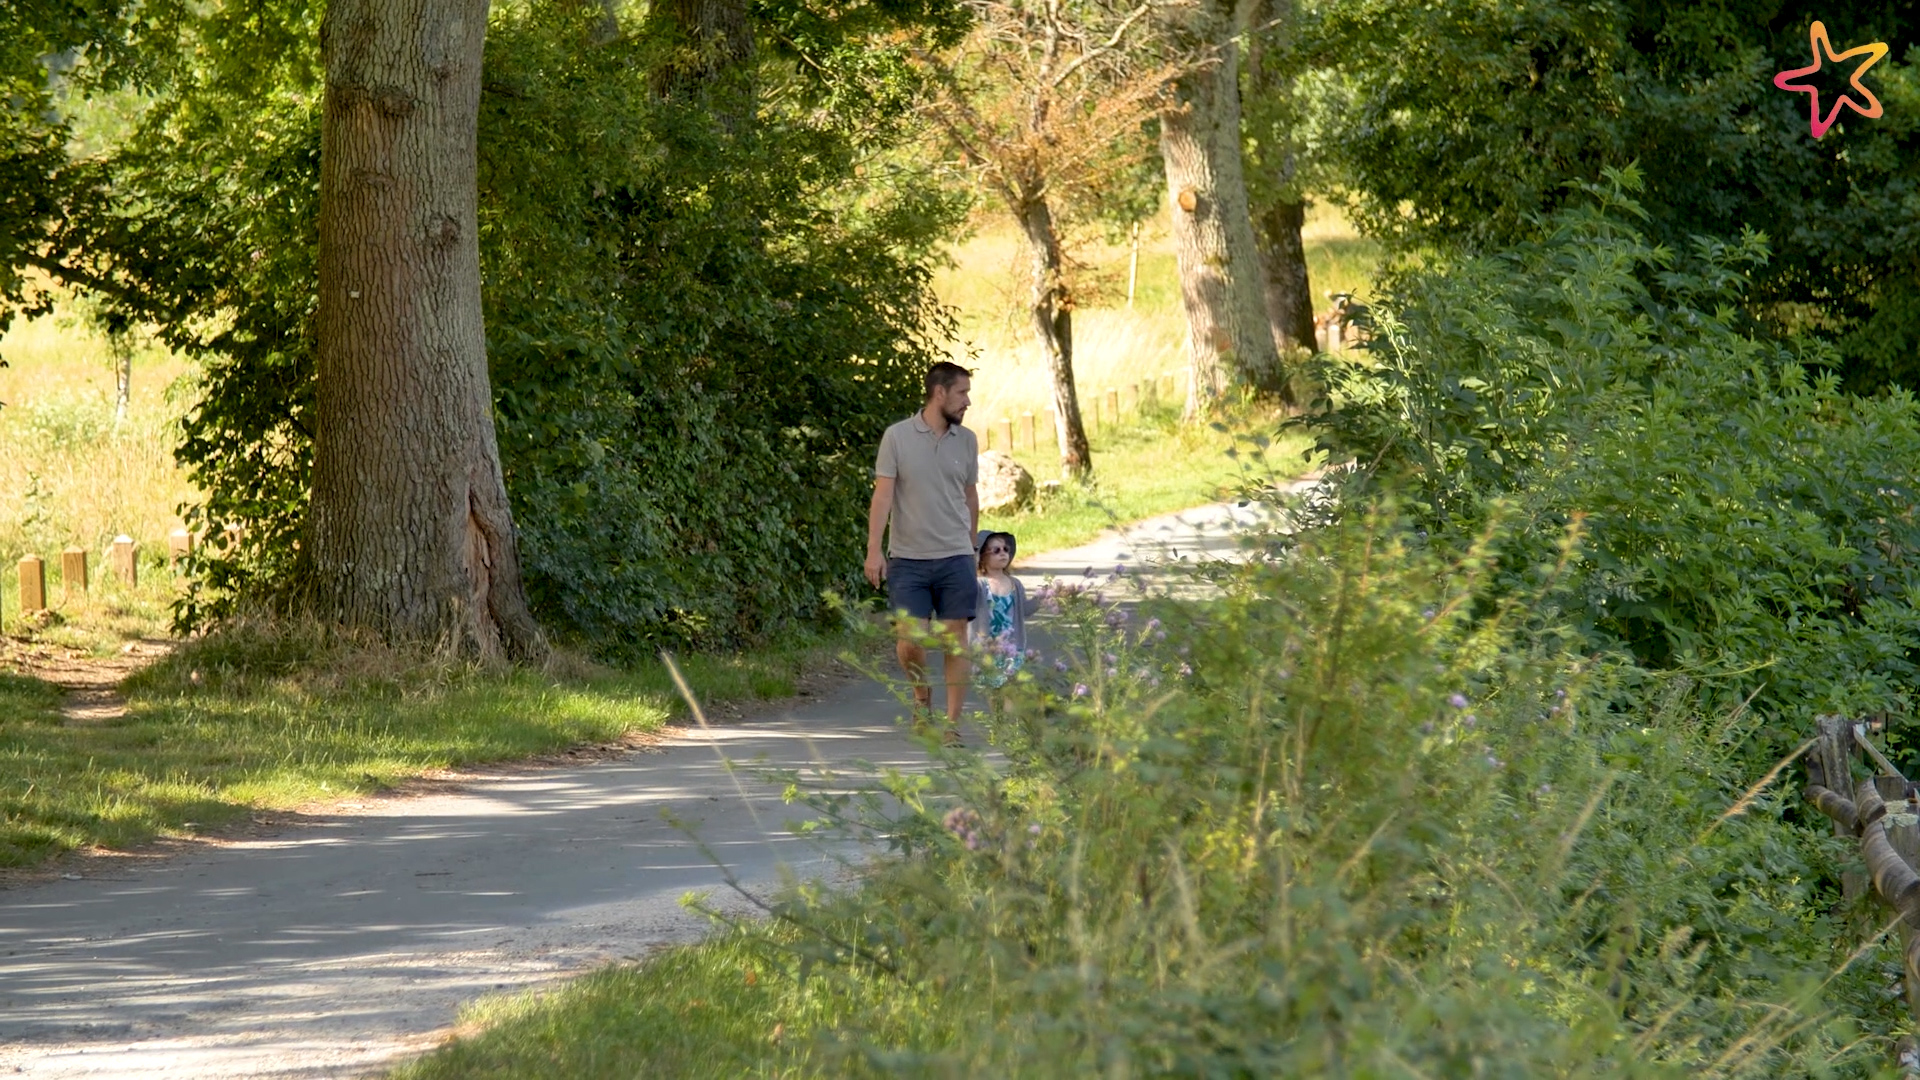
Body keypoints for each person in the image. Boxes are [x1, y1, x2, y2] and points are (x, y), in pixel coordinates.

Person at [864, 361, 979, 742]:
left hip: (955, 555)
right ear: (939, 392)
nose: (967, 401)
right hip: (908, 558)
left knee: (955, 638)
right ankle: (921, 696)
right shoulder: (897, 437)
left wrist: (971, 547)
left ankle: (952, 725)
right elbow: (883, 496)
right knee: (910, 640)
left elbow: (970, 495)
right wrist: (874, 551)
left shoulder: (967, 440)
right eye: (962, 393)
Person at [970, 530, 1028, 698]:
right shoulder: (979, 585)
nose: (1003, 553)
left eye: (1005, 549)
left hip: (1012, 648)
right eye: (996, 550)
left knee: (1011, 692)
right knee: (993, 694)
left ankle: (1009, 716)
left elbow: (1025, 610)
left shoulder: (1015, 584)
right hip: (987, 649)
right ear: (982, 557)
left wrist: (1043, 598)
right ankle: (997, 715)